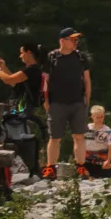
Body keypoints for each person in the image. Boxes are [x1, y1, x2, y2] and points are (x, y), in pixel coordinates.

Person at [0, 44, 45, 176]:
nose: (20, 55)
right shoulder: (29, 70)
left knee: (20, 138)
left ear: (29, 52)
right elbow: (15, 83)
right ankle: (30, 169)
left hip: (23, 109)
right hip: (19, 109)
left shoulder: (33, 70)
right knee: (17, 138)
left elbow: (8, 80)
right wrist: (4, 67)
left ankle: (32, 169)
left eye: (21, 52)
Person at [41, 27, 93, 179]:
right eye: (73, 39)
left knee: (79, 136)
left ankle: (81, 166)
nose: (76, 42)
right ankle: (50, 167)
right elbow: (45, 81)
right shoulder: (51, 57)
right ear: (62, 41)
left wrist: (87, 101)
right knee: (55, 137)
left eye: (77, 39)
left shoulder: (81, 57)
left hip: (77, 102)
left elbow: (87, 80)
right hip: (56, 102)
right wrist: (45, 101)